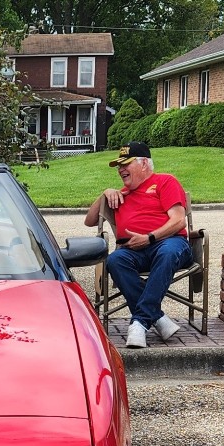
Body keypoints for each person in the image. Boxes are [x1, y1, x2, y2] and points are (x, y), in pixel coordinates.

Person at [84, 142, 192, 348]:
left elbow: (179, 221)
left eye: (126, 164)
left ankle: (140, 323)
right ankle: (157, 318)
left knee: (167, 252)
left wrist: (149, 237)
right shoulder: (119, 195)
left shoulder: (165, 181)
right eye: (119, 166)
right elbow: (89, 221)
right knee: (115, 260)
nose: (121, 169)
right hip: (134, 251)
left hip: (169, 244)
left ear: (144, 164)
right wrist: (104, 194)